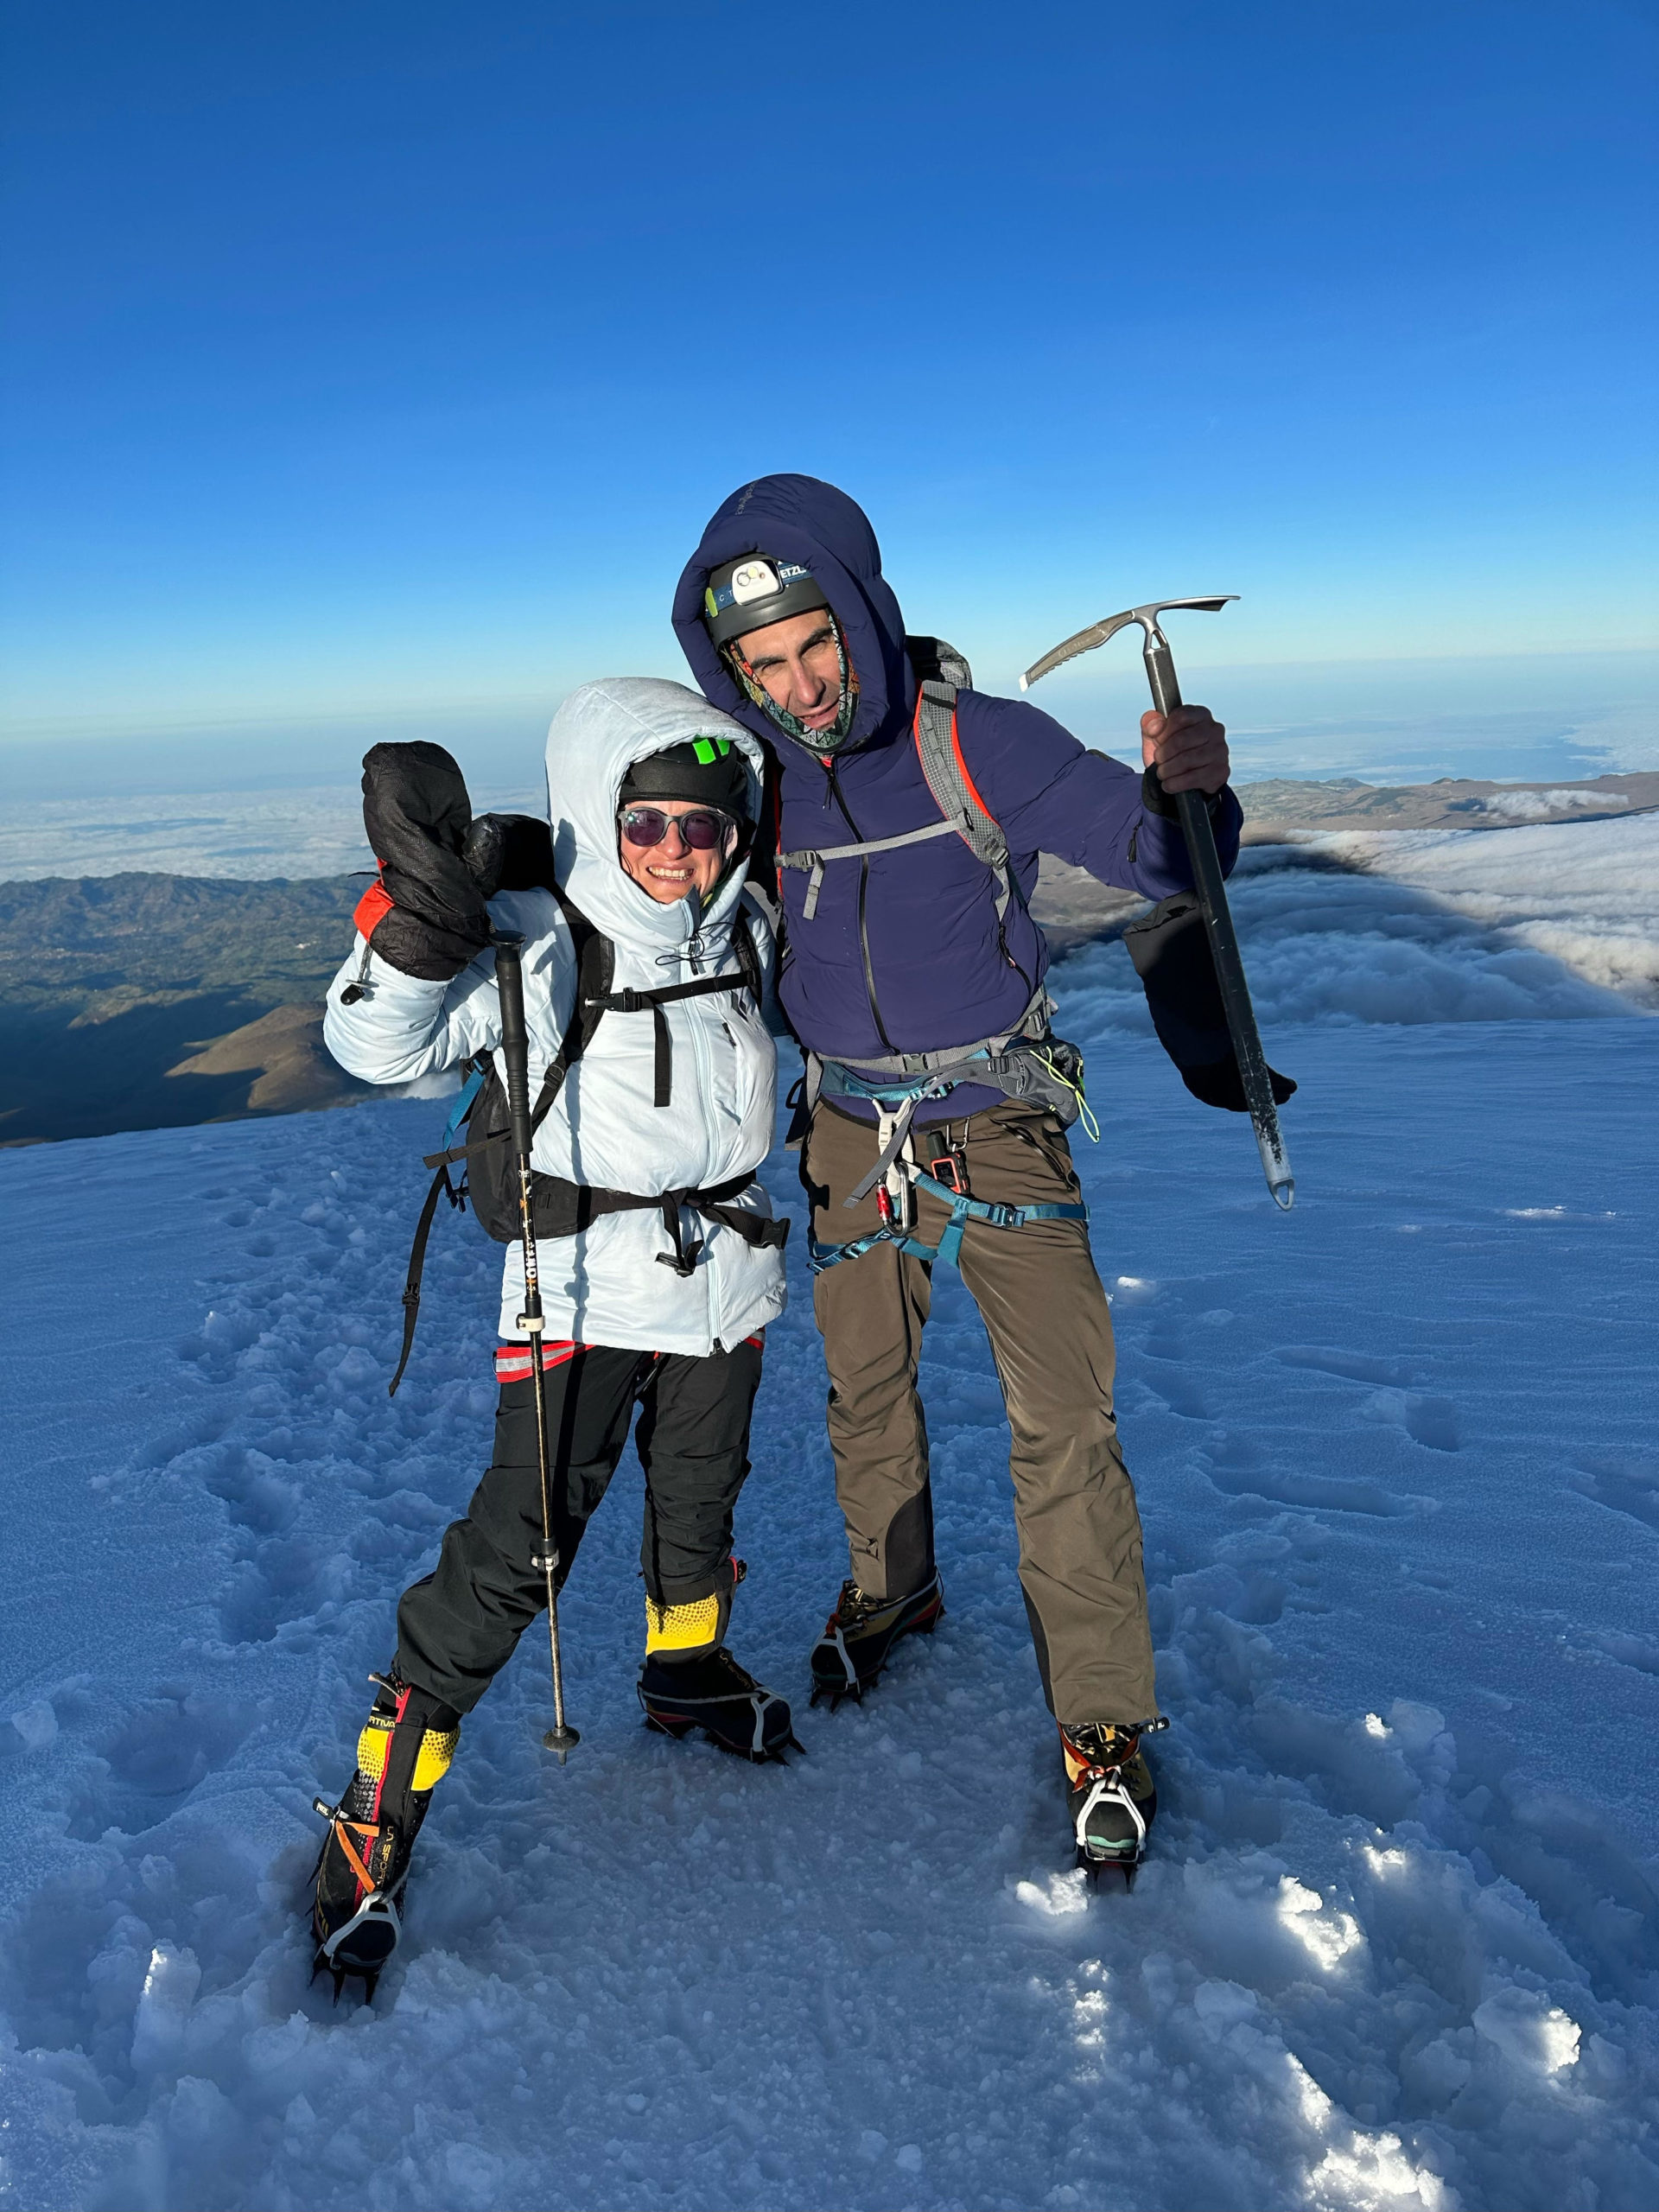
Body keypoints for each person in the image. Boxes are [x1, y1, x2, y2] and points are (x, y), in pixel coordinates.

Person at [672, 477, 1244, 1873]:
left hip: (996, 1120)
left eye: (815, 646)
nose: (802, 687)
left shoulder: (976, 743)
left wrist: (1201, 785)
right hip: (846, 1131)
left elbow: (1166, 856)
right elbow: (645, 855)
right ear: (730, 668)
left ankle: (1102, 1720)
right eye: (765, 665)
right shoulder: (751, 777)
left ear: (860, 617)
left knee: (1062, 1422)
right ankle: (892, 1590)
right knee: (865, 1387)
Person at [309, 677, 791, 1992]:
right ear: (602, 817)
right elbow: (374, 1047)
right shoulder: (535, 938)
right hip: (579, 1288)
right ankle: (379, 1805)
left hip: (724, 1278)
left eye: (702, 825)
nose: (678, 851)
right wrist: (414, 938)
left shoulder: (743, 924)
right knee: (521, 1551)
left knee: (701, 1498)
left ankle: (684, 1670)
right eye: (647, 824)